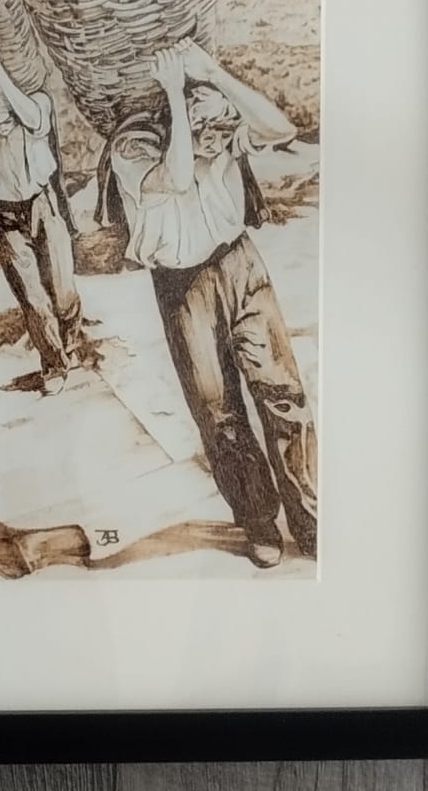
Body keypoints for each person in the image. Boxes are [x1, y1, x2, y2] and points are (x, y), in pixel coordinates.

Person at [98, 39, 318, 568]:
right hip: (183, 286)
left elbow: (280, 129)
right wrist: (176, 94)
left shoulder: (217, 129)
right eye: (208, 129)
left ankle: (310, 515)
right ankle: (258, 521)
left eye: (224, 126)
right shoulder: (134, 148)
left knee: (283, 392)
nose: (220, 137)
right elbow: (174, 179)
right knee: (219, 413)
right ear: (173, 119)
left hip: (240, 264)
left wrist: (214, 72)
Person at [0, 42, 82, 394]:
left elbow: (37, 120)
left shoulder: (33, 107)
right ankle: (54, 364)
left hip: (42, 205)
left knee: (64, 289)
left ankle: (69, 339)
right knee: (33, 297)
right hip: (5, 218)